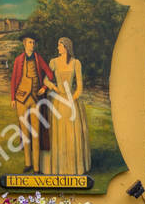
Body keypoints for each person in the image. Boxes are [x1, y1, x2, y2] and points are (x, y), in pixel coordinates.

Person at [44, 36, 91, 176]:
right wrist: (54, 87)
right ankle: (58, 168)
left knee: (71, 134)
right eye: (58, 45)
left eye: (59, 45)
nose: (57, 48)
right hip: (57, 99)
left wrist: (72, 99)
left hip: (72, 100)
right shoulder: (53, 62)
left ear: (66, 47)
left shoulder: (76, 63)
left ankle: (72, 168)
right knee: (57, 133)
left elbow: (80, 87)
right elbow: (45, 79)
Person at [10, 33, 55, 173]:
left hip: (35, 99)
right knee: (25, 133)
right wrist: (13, 98)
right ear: (24, 44)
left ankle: (36, 168)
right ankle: (27, 163)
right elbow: (13, 80)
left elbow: (50, 74)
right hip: (21, 99)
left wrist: (44, 87)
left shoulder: (38, 58)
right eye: (30, 42)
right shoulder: (18, 60)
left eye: (34, 42)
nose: (32, 45)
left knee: (35, 133)